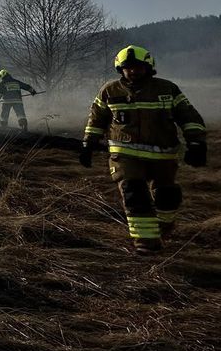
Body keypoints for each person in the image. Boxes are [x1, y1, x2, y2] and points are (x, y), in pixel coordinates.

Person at [79, 45, 207, 255]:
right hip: (124, 157)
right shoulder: (110, 91)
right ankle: (146, 244)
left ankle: (164, 226)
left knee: (167, 197)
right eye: (128, 67)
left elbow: (189, 116)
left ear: (149, 67)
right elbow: (97, 119)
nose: (133, 71)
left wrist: (196, 143)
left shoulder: (167, 89)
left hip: (163, 156)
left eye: (138, 67)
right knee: (133, 194)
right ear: (120, 69)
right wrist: (88, 143)